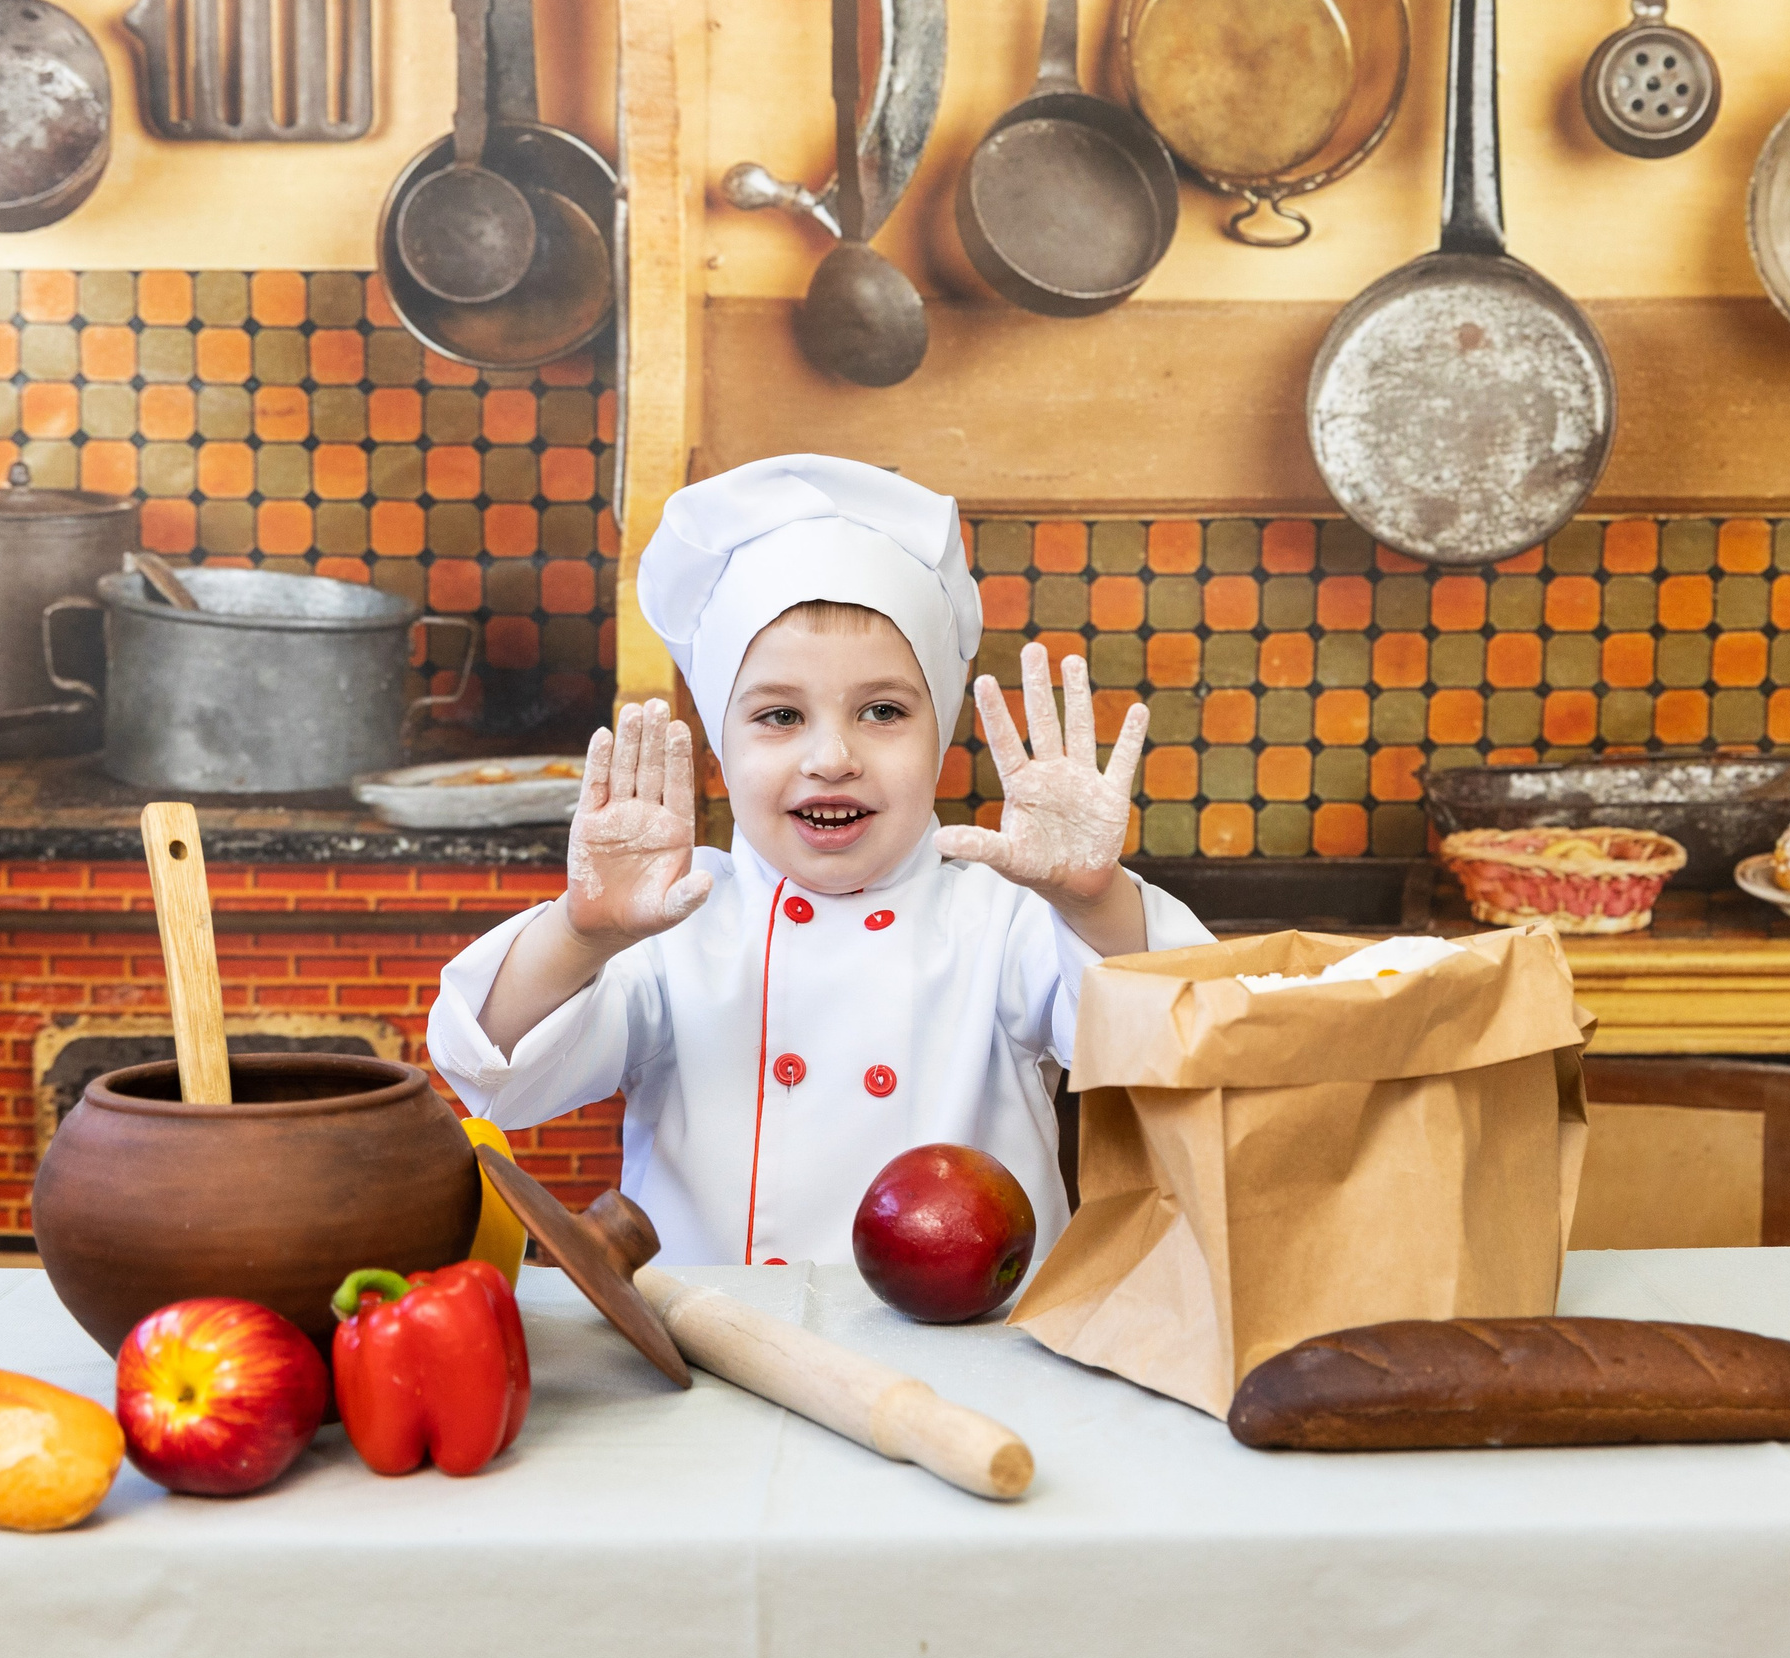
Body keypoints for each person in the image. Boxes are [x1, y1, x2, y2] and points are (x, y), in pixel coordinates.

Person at [427, 454, 1211, 1265]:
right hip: (705, 1336)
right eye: (779, 716)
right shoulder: (677, 920)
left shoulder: (1003, 920)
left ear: (941, 738)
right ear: (719, 750)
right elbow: (495, 1072)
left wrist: (1093, 903)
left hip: (975, 1338)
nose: (832, 757)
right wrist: (581, 934)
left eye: (883, 711)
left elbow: (1185, 1052)